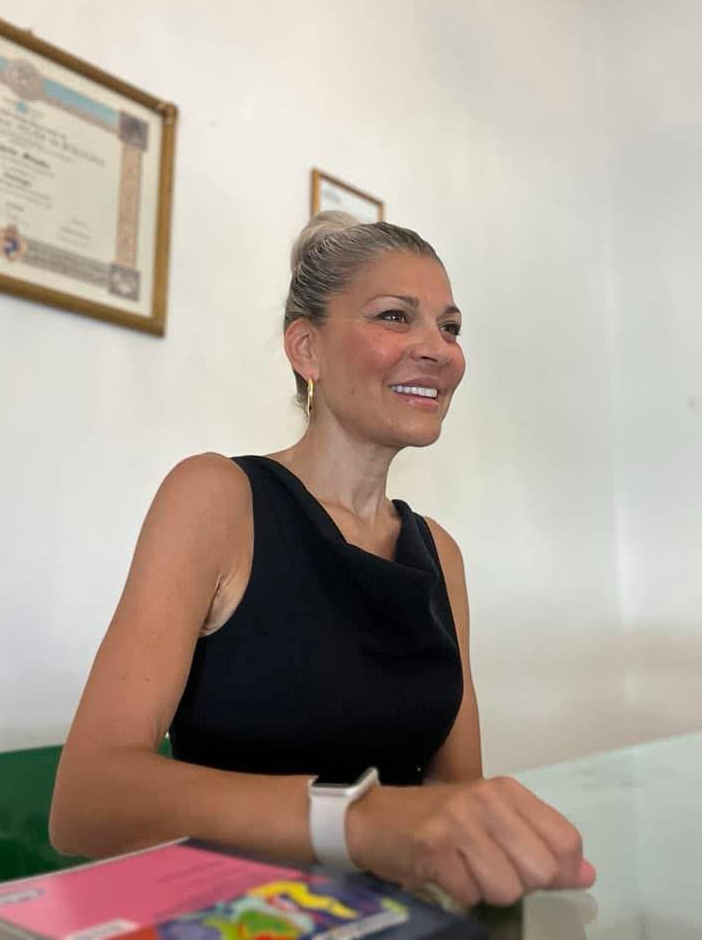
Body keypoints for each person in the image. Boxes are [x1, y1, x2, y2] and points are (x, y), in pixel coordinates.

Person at [50, 212, 596, 908]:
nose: (439, 349)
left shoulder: (440, 554)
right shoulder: (217, 498)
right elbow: (87, 801)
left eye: (451, 327)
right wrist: (357, 820)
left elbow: (451, 798)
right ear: (307, 348)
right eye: (395, 316)